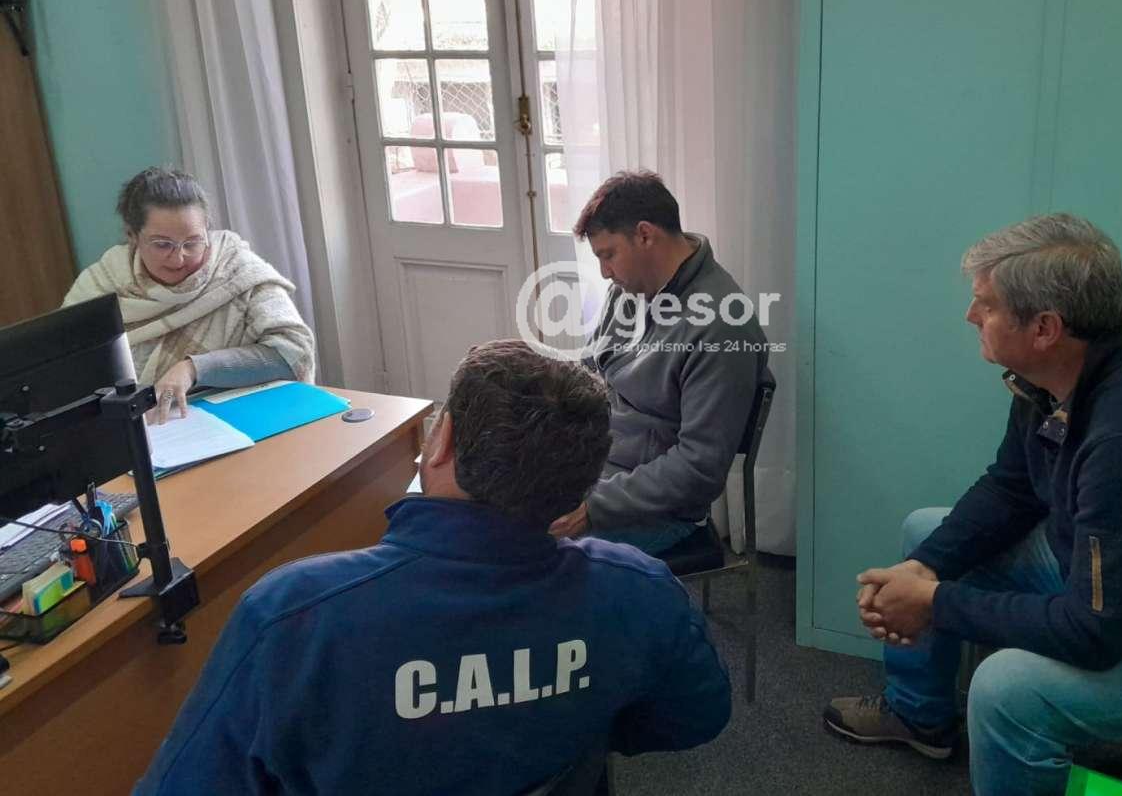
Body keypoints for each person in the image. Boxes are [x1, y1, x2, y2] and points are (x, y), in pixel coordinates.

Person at [822, 213, 1122, 795]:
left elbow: (1094, 634)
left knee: (1006, 691)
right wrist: (925, 570)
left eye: (986, 305)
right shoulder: (1054, 380)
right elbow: (1012, 487)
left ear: (1045, 327)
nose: (970, 315)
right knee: (927, 533)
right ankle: (919, 715)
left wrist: (934, 603)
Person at [135, 340, 731, 795]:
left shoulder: (293, 615)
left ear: (440, 443)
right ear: (584, 479)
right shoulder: (637, 588)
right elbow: (697, 716)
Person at [548, 171, 770, 555]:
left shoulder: (721, 325)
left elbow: (699, 468)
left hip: (656, 511)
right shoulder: (630, 289)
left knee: (528, 555)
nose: (604, 272)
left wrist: (591, 508)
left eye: (608, 254)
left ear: (645, 235)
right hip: (596, 469)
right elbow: (588, 374)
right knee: (491, 509)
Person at [63, 167, 314, 422]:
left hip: (248, 420)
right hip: (140, 431)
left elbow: (295, 352)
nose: (179, 258)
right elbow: (66, 372)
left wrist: (194, 368)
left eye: (192, 242)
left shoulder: (237, 269)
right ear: (133, 236)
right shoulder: (101, 285)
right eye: (162, 245)